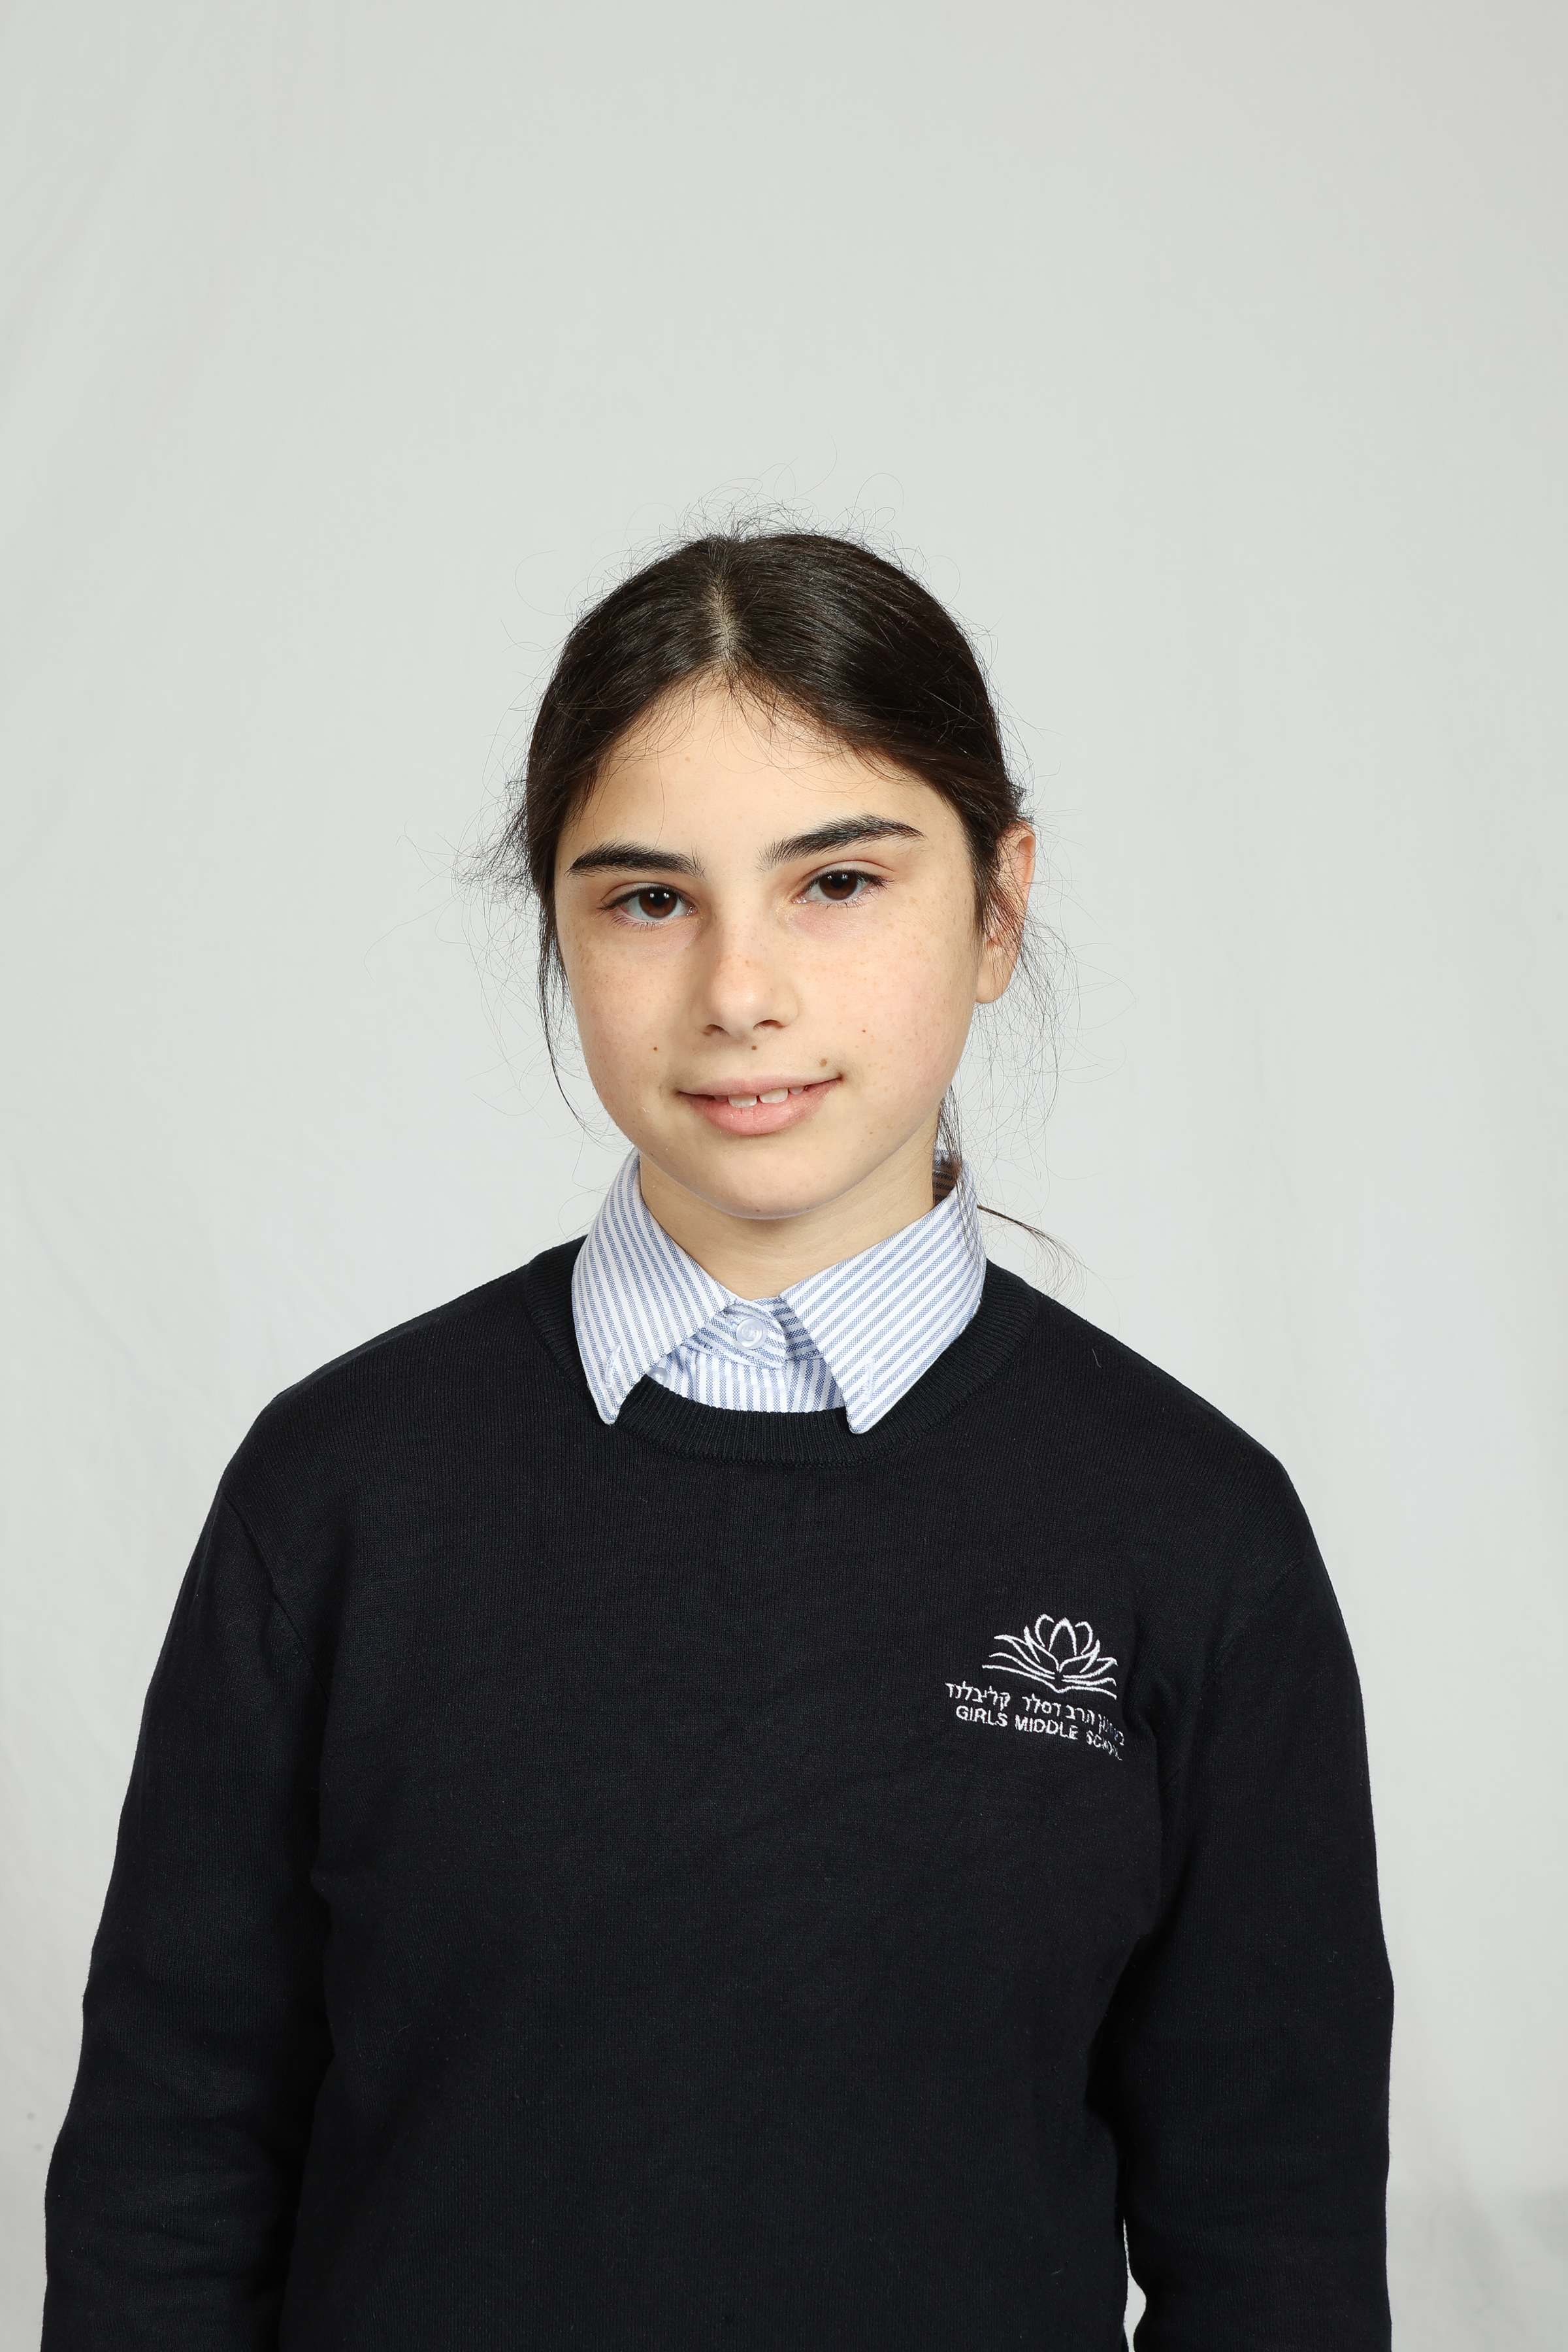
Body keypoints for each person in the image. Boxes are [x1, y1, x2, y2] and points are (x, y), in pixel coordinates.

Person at [43, 531, 1393, 2349]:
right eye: (648, 901)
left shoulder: (1193, 1534)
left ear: (998, 908)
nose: (739, 991)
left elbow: (1277, 2258)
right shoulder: (343, 1493)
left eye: (837, 882)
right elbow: (166, 2179)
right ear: (558, 925)